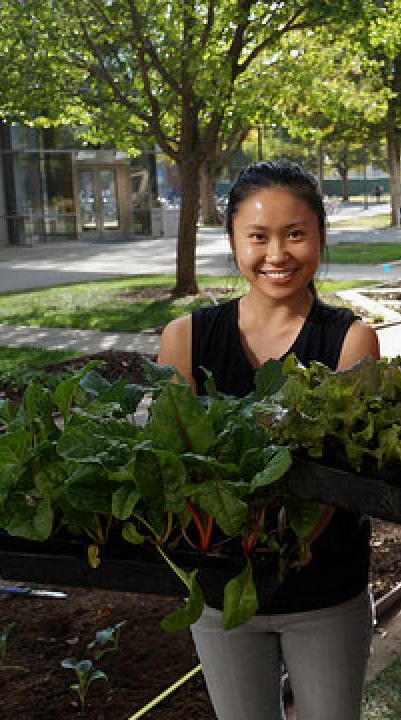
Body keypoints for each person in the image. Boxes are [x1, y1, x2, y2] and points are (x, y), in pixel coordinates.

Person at [157, 161, 380, 720]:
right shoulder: (184, 338)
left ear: (320, 239)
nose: (276, 255)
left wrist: (272, 536)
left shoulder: (351, 341)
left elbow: (344, 480)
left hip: (324, 591)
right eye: (258, 236)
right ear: (232, 239)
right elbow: (170, 468)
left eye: (295, 235)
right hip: (220, 593)